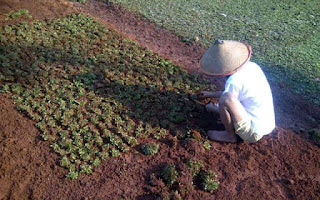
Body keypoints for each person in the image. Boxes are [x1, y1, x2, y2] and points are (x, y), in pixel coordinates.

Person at [198, 39, 275, 143]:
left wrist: (216, 104)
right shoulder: (253, 67)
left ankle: (229, 135)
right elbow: (237, 96)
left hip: (253, 132)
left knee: (225, 100)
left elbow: (227, 99)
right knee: (226, 99)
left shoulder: (233, 81)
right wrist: (210, 94)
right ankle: (219, 113)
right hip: (265, 124)